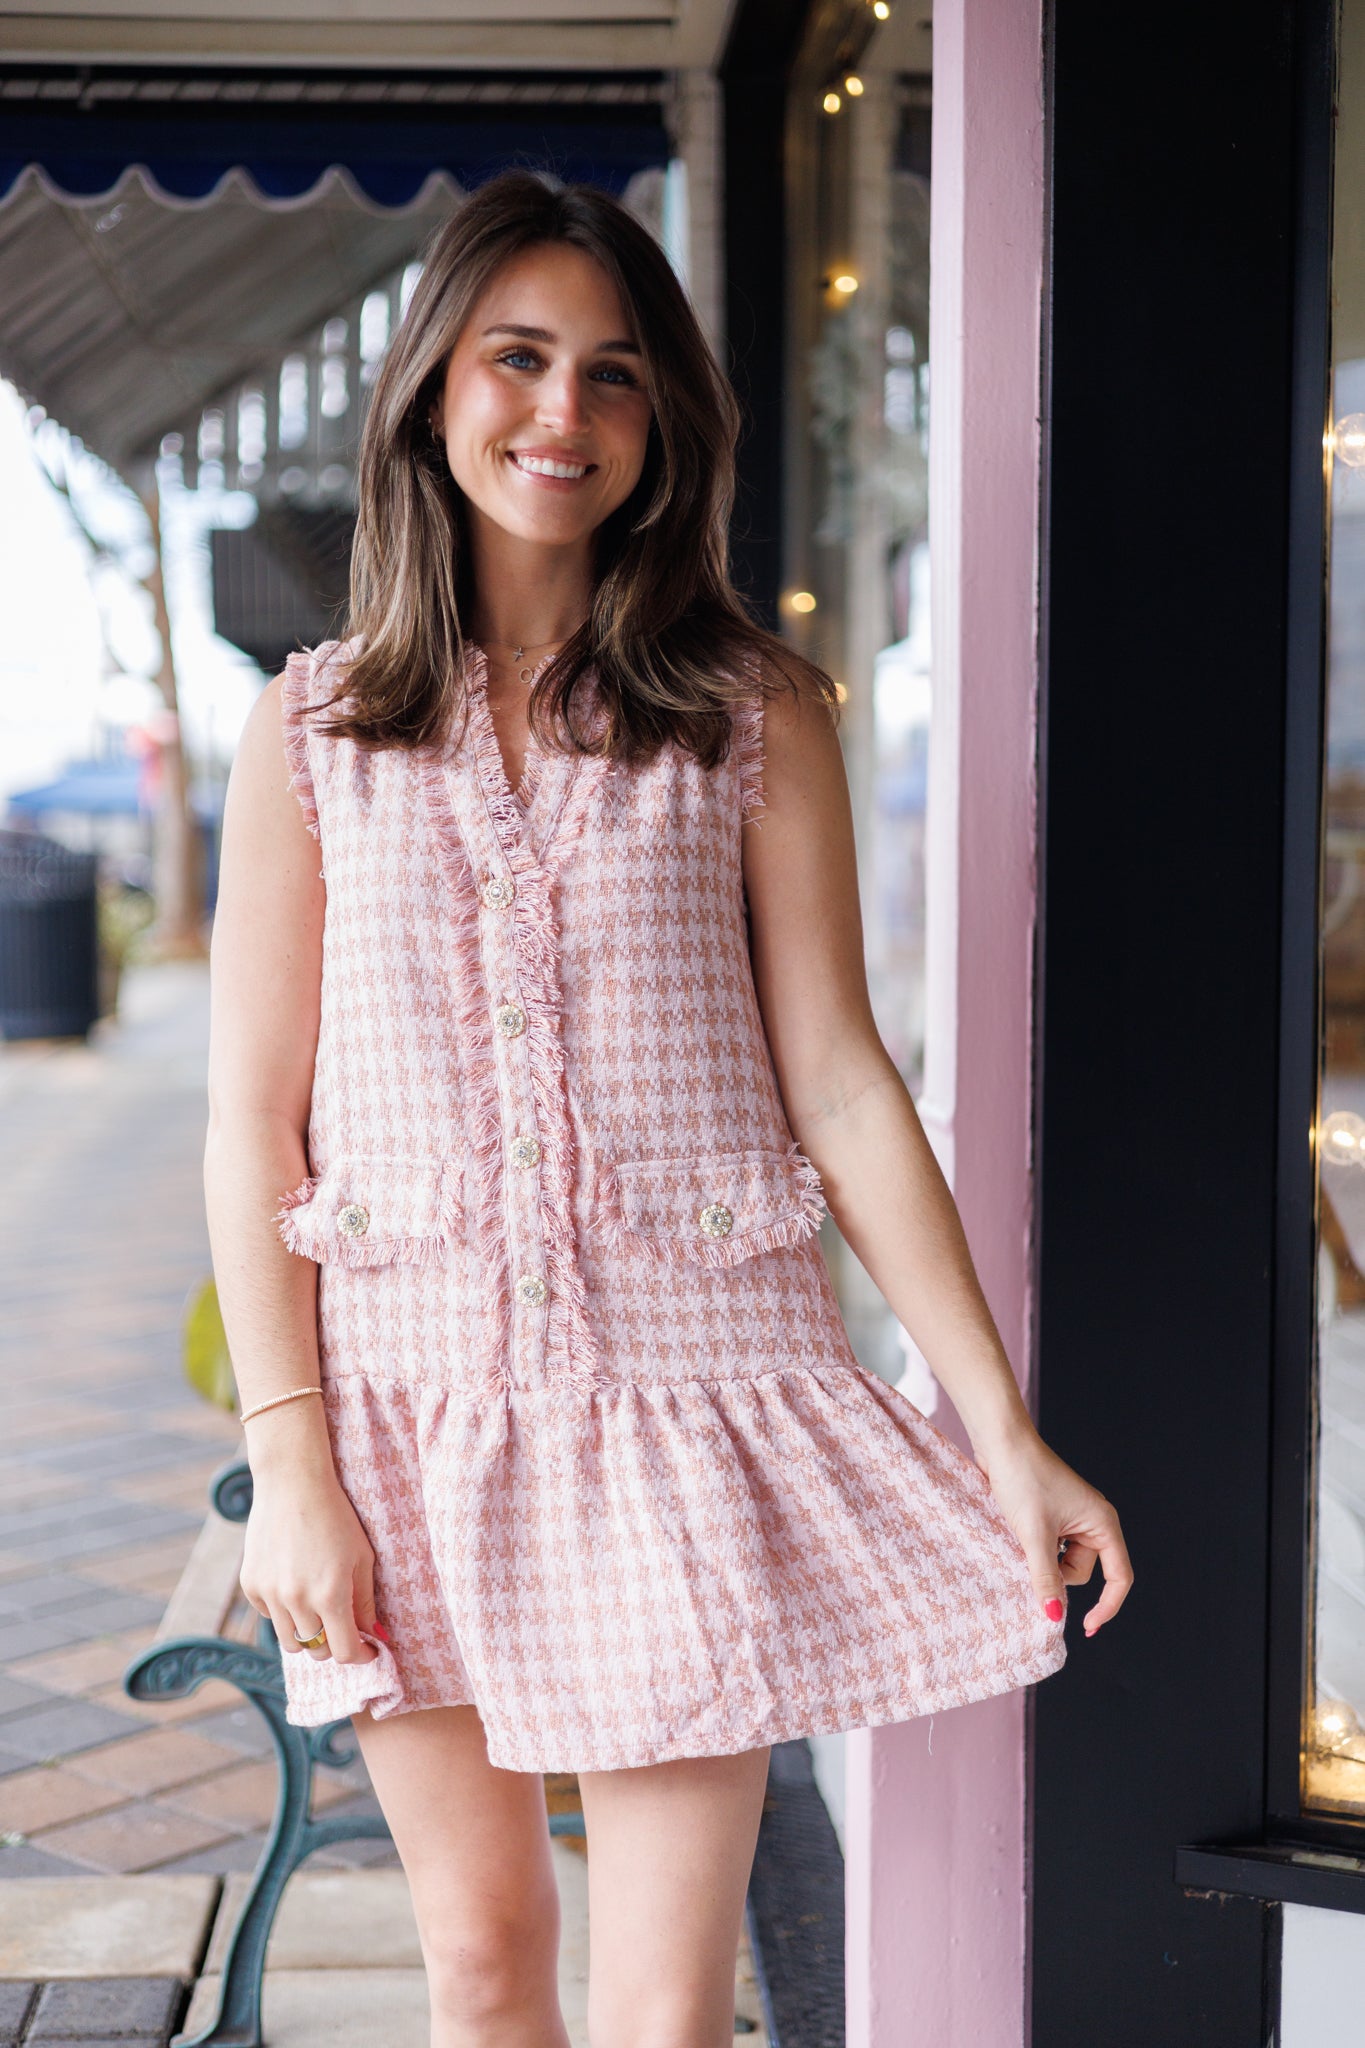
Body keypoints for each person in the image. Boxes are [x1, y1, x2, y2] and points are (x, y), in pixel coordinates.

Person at [204, 169, 1132, 2048]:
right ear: (431, 392)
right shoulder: (313, 730)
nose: (563, 416)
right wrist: (292, 1467)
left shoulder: (747, 710)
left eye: (613, 375)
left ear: (663, 423)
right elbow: (251, 1122)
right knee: (477, 1967)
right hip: (406, 1429)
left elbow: (849, 1086)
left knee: (666, 2004)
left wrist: (998, 1426)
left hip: (689, 1413)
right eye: (518, 359)